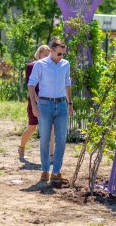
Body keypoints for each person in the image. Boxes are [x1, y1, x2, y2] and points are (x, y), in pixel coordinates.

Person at [28, 37, 73, 184]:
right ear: (52, 51)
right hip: (44, 105)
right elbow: (31, 84)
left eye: (63, 54)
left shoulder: (65, 64)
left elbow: (67, 84)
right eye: (59, 53)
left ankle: (56, 172)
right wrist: (34, 106)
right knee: (45, 139)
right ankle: (45, 170)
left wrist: (70, 103)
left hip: (61, 105)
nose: (62, 56)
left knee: (61, 139)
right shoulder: (40, 65)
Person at [18, 45, 55, 161]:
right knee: (32, 128)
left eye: (49, 55)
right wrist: (37, 99)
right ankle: (21, 147)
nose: (47, 57)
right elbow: (30, 85)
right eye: (45, 55)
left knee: (51, 129)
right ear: (38, 54)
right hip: (35, 101)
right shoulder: (31, 66)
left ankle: (51, 156)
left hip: (48, 102)